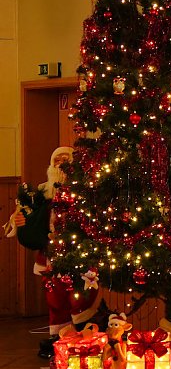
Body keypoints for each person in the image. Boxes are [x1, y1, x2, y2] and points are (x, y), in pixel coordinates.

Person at [6, 146, 100, 357]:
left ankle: (86, 335)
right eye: (57, 160)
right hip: (51, 256)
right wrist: (21, 222)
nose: (61, 164)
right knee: (55, 298)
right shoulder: (41, 195)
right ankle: (61, 338)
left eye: (66, 160)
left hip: (80, 255)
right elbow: (30, 224)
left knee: (81, 298)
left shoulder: (85, 193)